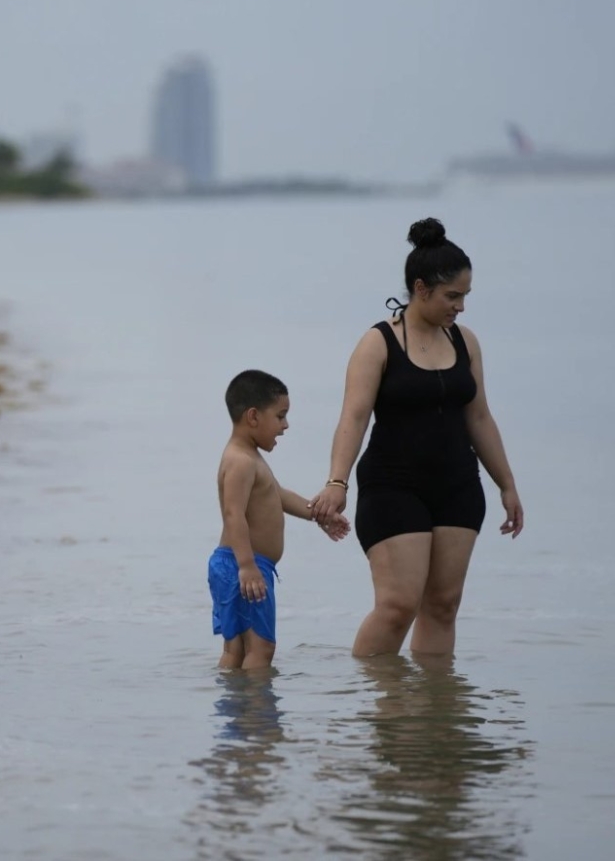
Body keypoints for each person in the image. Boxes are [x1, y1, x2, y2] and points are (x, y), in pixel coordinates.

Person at [310, 218, 523, 657]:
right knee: (397, 605)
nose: (460, 306)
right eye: (452, 296)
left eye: (465, 296)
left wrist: (507, 483)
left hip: (458, 487)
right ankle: (377, 710)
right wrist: (336, 481)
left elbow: (480, 418)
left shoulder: (466, 342)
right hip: (392, 485)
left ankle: (434, 717)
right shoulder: (379, 342)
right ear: (421, 288)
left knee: (443, 606)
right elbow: (353, 418)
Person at [209, 369, 350, 669]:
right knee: (261, 649)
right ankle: (257, 715)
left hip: (235, 563)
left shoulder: (250, 458)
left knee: (236, 649)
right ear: (253, 417)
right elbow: (233, 514)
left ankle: (235, 711)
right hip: (243, 564)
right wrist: (247, 566)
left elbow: (278, 497)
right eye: (280, 416)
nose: (285, 425)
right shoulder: (242, 461)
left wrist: (319, 514)